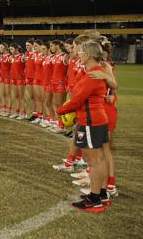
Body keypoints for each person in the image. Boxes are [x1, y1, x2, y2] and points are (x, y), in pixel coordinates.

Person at [56, 41, 111, 212]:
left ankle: (95, 199)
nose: (78, 54)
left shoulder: (92, 76)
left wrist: (60, 110)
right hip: (98, 119)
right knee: (99, 159)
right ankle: (100, 194)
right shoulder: (96, 72)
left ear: (88, 55)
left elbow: (78, 100)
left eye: (81, 53)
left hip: (90, 121)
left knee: (93, 161)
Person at [9, 43, 27, 119]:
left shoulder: (22, 56)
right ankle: (17, 112)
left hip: (20, 78)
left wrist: (24, 74)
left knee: (22, 96)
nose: (11, 51)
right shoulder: (11, 57)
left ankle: (24, 114)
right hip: (13, 78)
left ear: (16, 49)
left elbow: (28, 65)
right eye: (10, 49)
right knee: (16, 96)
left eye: (12, 49)